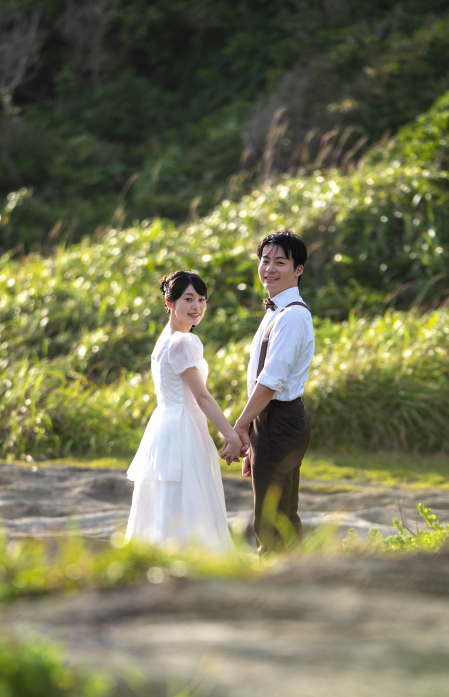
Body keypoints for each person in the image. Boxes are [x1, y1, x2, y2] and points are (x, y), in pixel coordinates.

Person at [125, 269, 240, 555]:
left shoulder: (166, 339)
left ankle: (161, 555)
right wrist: (231, 434)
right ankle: (191, 557)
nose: (197, 307)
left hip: (166, 424)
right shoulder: (182, 342)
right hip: (182, 426)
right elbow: (202, 397)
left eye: (201, 299)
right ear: (170, 303)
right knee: (187, 496)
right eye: (188, 299)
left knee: (169, 498)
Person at [221, 230, 315, 551]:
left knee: (272, 519)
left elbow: (270, 381)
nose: (269, 269)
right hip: (271, 423)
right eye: (265, 261)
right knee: (280, 515)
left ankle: (278, 587)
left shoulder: (291, 317)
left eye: (280, 262)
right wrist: (254, 440)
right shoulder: (275, 311)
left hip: (279, 421)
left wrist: (241, 426)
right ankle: (294, 580)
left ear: (298, 269)